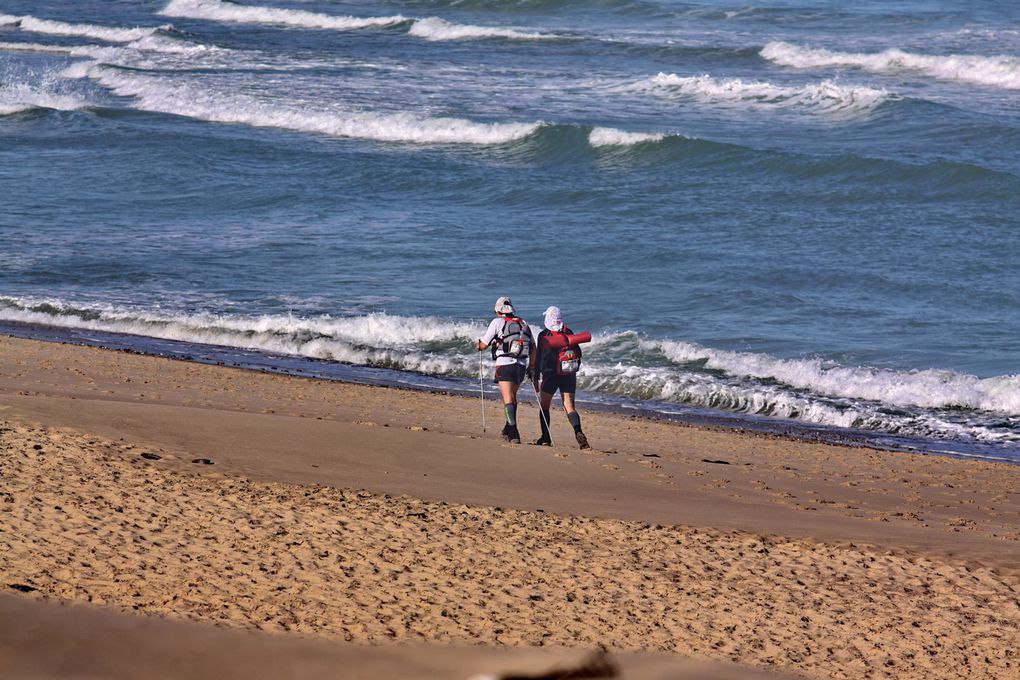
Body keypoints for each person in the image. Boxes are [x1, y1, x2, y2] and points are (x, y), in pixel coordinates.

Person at [529, 305, 590, 450]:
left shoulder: (544, 335)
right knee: (569, 406)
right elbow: (578, 354)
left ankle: (545, 438)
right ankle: (578, 431)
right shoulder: (569, 332)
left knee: (544, 405)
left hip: (550, 375)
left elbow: (539, 359)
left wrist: (535, 376)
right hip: (568, 374)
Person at [476, 296, 534, 444]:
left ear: (498, 311)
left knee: (508, 398)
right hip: (521, 365)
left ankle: (514, 432)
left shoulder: (497, 322)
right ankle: (507, 428)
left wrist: (478, 345)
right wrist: (532, 367)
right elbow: (533, 348)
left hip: (505, 364)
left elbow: (484, 344)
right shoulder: (523, 322)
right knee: (513, 397)